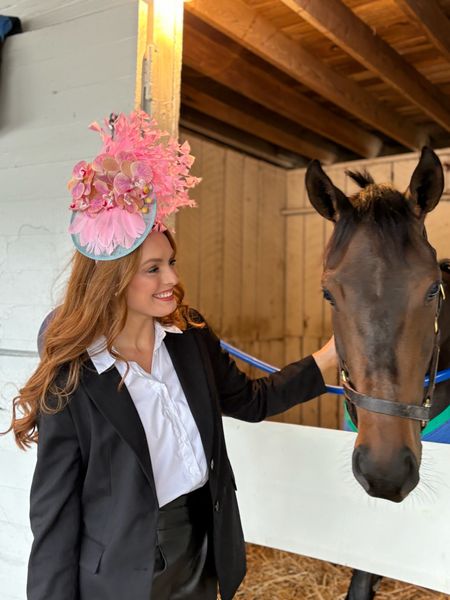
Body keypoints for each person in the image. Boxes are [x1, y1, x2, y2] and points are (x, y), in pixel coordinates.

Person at [4, 111, 336, 600]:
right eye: (152, 269)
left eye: (171, 263)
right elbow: (54, 516)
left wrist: (326, 359)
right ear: (111, 280)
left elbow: (249, 401)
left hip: (203, 545)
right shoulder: (72, 376)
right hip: (123, 570)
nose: (172, 281)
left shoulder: (189, 335)